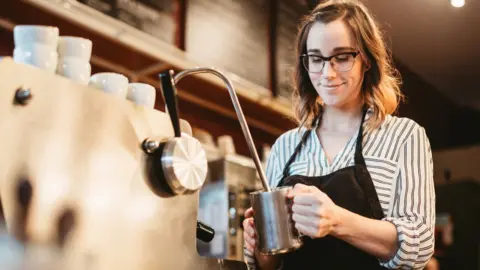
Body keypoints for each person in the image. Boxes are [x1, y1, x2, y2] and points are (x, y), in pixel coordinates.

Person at [243, 1, 436, 269]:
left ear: (366, 59)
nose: (327, 73)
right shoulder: (285, 146)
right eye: (316, 58)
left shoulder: (404, 137)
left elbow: (419, 246)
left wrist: (336, 220)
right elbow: (272, 264)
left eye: (342, 57)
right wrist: (260, 245)